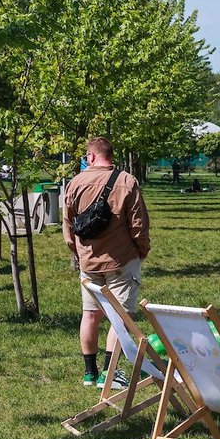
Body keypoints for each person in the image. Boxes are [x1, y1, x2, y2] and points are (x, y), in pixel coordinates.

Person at [63, 137, 150, 388]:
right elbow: (139, 226)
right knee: (120, 317)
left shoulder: (75, 183)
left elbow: (68, 226)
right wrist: (141, 252)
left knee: (90, 315)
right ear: (110, 156)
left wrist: (78, 253)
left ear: (91, 157)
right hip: (121, 261)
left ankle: (89, 373)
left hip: (88, 263)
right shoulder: (126, 182)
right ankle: (109, 374)